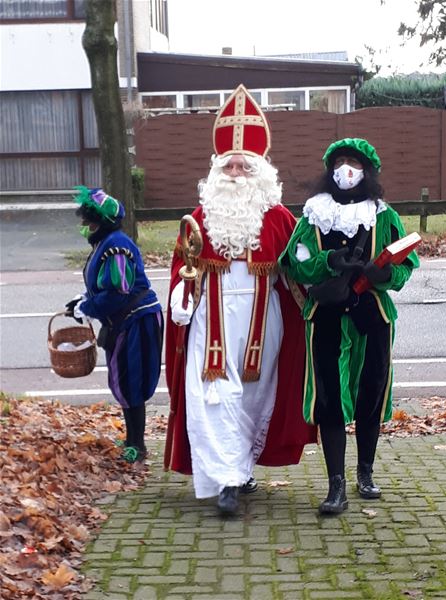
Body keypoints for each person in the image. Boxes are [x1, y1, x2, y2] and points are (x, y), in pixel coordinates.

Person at [164, 84, 317, 515]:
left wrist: (314, 295)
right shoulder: (197, 219)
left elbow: (297, 271)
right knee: (215, 395)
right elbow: (183, 268)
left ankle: (241, 467)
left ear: (261, 170)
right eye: (229, 165)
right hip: (211, 322)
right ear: (215, 171)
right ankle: (227, 481)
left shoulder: (281, 218)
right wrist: (182, 294)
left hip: (263, 323)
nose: (236, 171)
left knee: (253, 398)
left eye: (245, 165)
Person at [278, 138, 420, 514]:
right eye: (339, 162)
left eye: (353, 162)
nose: (346, 169)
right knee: (329, 400)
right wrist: (329, 261)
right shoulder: (313, 215)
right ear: (330, 170)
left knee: (370, 393)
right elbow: (293, 261)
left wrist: (384, 272)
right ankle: (335, 486)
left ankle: (366, 472)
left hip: (373, 318)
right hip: (326, 317)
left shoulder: (384, 216)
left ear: (367, 171)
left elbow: (407, 265)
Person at [65, 186, 164, 463]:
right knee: (122, 379)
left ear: (102, 223)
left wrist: (87, 308)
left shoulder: (116, 248)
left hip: (137, 321)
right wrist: (82, 300)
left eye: (89, 222)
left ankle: (138, 444)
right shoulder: (104, 243)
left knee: (131, 380)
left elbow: (118, 291)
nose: (85, 226)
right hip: (124, 322)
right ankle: (132, 437)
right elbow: (102, 287)